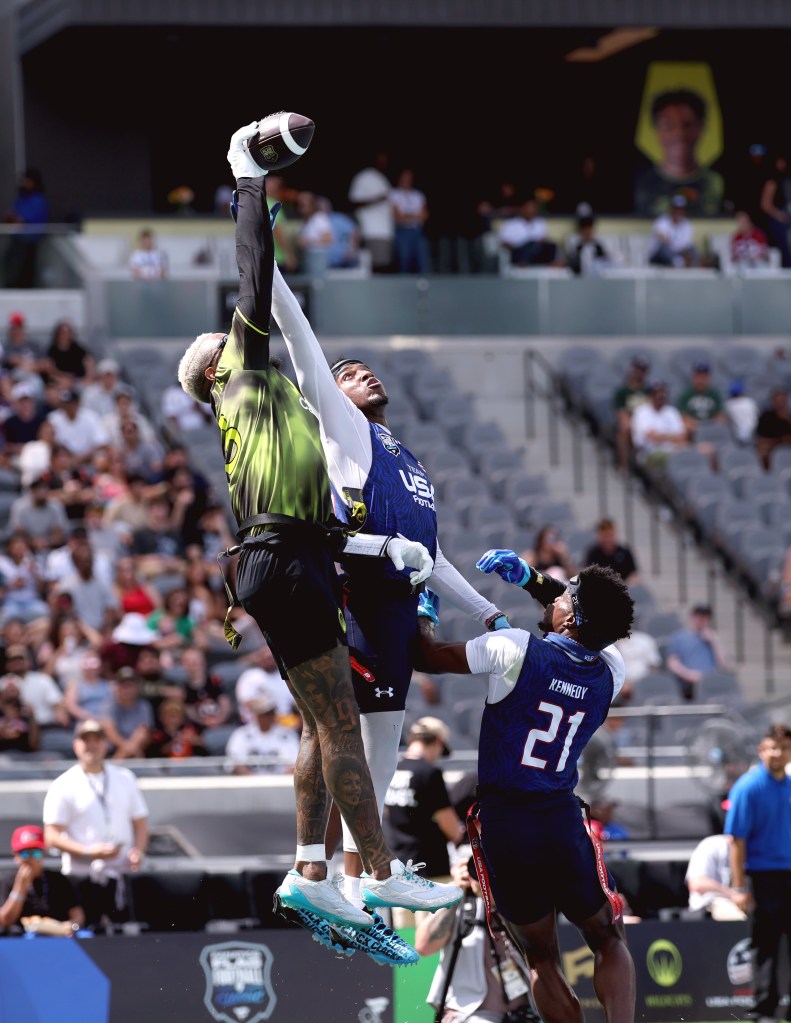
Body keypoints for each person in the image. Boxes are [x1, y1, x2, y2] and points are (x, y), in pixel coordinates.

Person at [174, 119, 462, 961]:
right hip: (280, 556)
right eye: (225, 338)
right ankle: (375, 872)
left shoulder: (271, 412)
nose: (234, 331)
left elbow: (338, 525)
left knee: (318, 722)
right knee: (339, 726)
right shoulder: (248, 376)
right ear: (218, 368)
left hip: (288, 554)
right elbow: (255, 273)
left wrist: (387, 553)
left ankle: (310, 867)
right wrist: (247, 179)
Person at [269, 244, 509, 929]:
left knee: (374, 761)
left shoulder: (406, 456)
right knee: (352, 753)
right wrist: (270, 269)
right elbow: (299, 338)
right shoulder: (343, 432)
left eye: (365, 367)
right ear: (329, 396)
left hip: (400, 616)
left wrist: (485, 606)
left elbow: (429, 554)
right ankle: (338, 882)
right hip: (363, 606)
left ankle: (358, 890)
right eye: (346, 373)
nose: (359, 372)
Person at [414, 554, 637, 1023]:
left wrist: (423, 614)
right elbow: (585, 619)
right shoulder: (611, 671)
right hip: (559, 816)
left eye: (562, 596)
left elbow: (424, 656)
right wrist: (535, 581)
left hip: (505, 824)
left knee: (540, 957)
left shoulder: (515, 647)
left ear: (572, 615)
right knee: (607, 938)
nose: (554, 596)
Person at [42, 717, 149, 931]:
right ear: (76, 745)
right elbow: (51, 836)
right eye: (85, 740)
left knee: (125, 936)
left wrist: (139, 851)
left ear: (106, 744)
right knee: (87, 934)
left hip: (121, 873)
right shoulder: (63, 784)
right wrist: (89, 851)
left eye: (97, 739)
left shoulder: (125, 777)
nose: (91, 745)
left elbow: (140, 823)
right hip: (81, 876)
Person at [415, 854, 538, 1023]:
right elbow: (424, 946)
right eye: (475, 869)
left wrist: (498, 896)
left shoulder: (515, 899)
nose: (480, 876)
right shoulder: (458, 903)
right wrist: (454, 890)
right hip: (470, 1013)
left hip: (525, 1011)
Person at [725, 723, 791, 1021]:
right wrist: (739, 888)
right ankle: (763, 1010)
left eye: (784, 748)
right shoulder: (748, 787)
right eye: (772, 747)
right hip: (763, 877)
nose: (778, 753)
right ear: (761, 750)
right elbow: (736, 840)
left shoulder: (789, 786)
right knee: (766, 945)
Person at [383, 717, 467, 924]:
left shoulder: (392, 768)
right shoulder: (429, 772)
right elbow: (450, 826)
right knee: (431, 942)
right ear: (438, 742)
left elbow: (385, 812)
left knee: (406, 940)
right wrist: (460, 833)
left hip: (398, 870)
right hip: (431, 871)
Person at [633, 89, 724, 217]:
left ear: (701, 128)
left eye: (687, 125)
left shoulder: (714, 183)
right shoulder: (643, 183)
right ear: (657, 130)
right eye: (668, 126)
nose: (679, 134)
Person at [0, 825, 85, 937]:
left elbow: (77, 914)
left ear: (43, 854)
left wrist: (72, 926)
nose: (31, 859)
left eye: (36, 853)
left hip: (59, 941)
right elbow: (5, 920)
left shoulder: (58, 880)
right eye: (25, 854)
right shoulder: (7, 881)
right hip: (21, 944)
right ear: (16, 856)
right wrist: (20, 889)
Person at [664, 604, 734, 701]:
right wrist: (689, 674)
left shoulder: (713, 638)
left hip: (712, 683)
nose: (702, 619)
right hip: (689, 683)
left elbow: (725, 666)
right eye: (699, 616)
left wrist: (714, 642)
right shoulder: (679, 637)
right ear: (692, 616)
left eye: (705, 616)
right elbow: (672, 663)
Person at [224, 695, 300, 775]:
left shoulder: (287, 734)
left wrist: (276, 782)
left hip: (280, 783)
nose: (268, 717)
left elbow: (294, 764)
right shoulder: (241, 734)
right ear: (256, 714)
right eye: (264, 714)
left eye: (271, 713)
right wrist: (254, 781)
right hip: (247, 784)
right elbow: (235, 763)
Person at [685, 831, 753, 921]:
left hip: (747, 904)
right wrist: (734, 894)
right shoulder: (712, 844)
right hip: (712, 903)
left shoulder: (758, 848)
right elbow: (697, 884)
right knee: (740, 919)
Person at [348, 150, 394, 272]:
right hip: (372, 230)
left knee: (383, 266)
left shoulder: (383, 179)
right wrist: (377, 199)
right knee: (373, 267)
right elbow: (354, 201)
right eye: (381, 159)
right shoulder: (364, 177)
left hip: (385, 231)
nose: (383, 162)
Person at [3, 168, 50, 288]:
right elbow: (9, 216)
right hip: (17, 241)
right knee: (9, 267)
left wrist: (15, 219)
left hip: (29, 243)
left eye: (27, 181)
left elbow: (20, 220)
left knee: (24, 273)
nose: (25, 183)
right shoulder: (22, 198)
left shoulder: (37, 200)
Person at [630, 379, 689, 469]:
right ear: (649, 396)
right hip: (649, 453)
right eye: (656, 393)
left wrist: (661, 436)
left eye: (663, 392)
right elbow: (652, 438)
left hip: (674, 450)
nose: (660, 396)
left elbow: (683, 437)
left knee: (696, 454)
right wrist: (672, 437)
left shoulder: (672, 411)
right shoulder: (641, 412)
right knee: (676, 459)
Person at [612, 356, 651, 471]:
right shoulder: (623, 391)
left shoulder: (649, 390)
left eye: (643, 370)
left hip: (648, 421)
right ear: (632, 370)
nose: (640, 373)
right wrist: (634, 424)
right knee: (624, 430)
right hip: (631, 421)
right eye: (638, 369)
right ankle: (624, 467)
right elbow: (621, 413)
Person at [390, 167, 430, 274]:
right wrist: (416, 215)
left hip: (418, 232)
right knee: (404, 262)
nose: (407, 180)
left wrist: (407, 215)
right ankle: (403, 289)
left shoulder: (418, 195)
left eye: (409, 178)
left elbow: (425, 216)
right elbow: (398, 217)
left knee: (423, 262)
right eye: (404, 177)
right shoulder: (394, 194)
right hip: (402, 232)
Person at [648, 194, 699, 267]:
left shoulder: (687, 224)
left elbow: (686, 244)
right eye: (675, 208)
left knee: (693, 250)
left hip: (679, 253)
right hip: (659, 256)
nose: (677, 211)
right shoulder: (662, 221)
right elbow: (663, 238)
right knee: (664, 249)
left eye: (680, 209)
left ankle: (689, 268)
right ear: (671, 208)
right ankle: (678, 263)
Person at [583, 518, 639, 583]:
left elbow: (633, 575)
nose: (607, 539)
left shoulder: (625, 552)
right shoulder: (592, 553)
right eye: (604, 535)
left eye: (610, 535)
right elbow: (587, 574)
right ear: (598, 536)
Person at [759, 155, 791, 268]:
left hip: (787, 220)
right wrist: (780, 216)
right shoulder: (772, 181)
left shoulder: (786, 181)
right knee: (785, 252)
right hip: (778, 222)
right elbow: (765, 204)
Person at [755, 387, 791, 469]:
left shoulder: (789, 417)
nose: (780, 403)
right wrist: (779, 440)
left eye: (783, 401)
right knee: (762, 448)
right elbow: (762, 436)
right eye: (778, 401)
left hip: (788, 443)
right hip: (773, 444)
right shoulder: (766, 417)